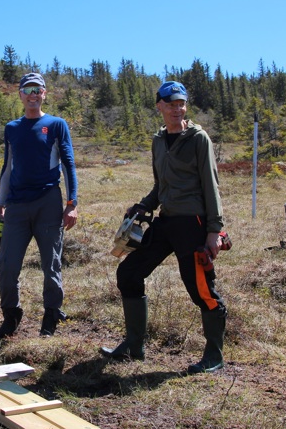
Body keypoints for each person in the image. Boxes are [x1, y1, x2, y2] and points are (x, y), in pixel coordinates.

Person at [100, 81, 227, 373]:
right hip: (166, 221)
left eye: (181, 104)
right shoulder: (158, 141)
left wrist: (214, 231)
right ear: (159, 106)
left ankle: (214, 356)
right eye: (170, 104)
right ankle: (134, 346)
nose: (177, 109)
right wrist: (144, 205)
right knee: (129, 272)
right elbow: (161, 186)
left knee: (201, 291)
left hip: (193, 224)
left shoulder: (198, 138)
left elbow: (211, 185)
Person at [0, 72, 79, 340]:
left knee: (51, 263)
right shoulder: (12, 128)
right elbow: (8, 167)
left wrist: (72, 203)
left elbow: (68, 164)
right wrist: (0, 206)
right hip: (15, 205)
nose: (33, 94)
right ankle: (11, 316)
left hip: (48, 201)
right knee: (6, 264)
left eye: (38, 90)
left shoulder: (56, 124)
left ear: (44, 94)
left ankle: (51, 316)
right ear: (20, 95)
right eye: (28, 90)